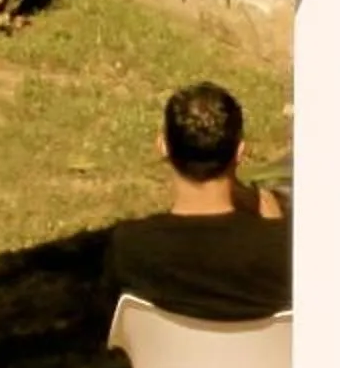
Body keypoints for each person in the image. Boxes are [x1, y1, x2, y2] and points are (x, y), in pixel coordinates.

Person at [101, 83, 292, 324]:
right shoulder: (284, 253)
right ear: (240, 152)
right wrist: (272, 220)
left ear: (163, 146)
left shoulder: (129, 248)